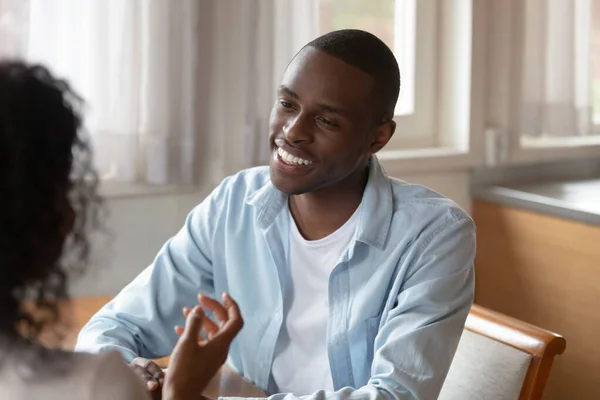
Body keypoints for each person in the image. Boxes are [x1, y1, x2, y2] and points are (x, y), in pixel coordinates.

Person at [76, 29, 476, 399]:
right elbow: (114, 327)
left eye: (326, 120)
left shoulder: (434, 234)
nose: (293, 131)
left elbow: (395, 396)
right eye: (287, 104)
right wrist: (129, 370)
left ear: (378, 137)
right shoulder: (234, 204)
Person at [0, 60, 243, 400]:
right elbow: (117, 326)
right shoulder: (93, 385)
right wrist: (180, 391)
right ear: (52, 220)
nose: (292, 132)